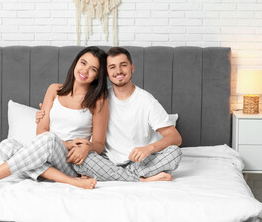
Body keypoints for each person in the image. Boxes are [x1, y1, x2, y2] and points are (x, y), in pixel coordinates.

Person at [0, 46, 109, 192]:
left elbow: (99, 145)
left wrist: (85, 148)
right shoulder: (54, 90)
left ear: (97, 76)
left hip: (69, 160)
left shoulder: (98, 100)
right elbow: (41, 132)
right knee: (6, 146)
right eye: (83, 63)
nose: (85, 70)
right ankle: (70, 181)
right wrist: (63, 142)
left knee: (49, 139)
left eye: (93, 69)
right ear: (75, 63)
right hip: (46, 150)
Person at [36, 47, 182, 182]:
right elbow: (70, 116)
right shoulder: (98, 97)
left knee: (174, 153)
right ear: (106, 73)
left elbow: (175, 137)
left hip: (139, 160)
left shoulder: (146, 101)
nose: (118, 71)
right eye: (112, 67)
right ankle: (141, 179)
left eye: (123, 65)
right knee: (82, 159)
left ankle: (121, 175)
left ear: (132, 68)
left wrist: (149, 148)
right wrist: (43, 113)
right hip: (105, 160)